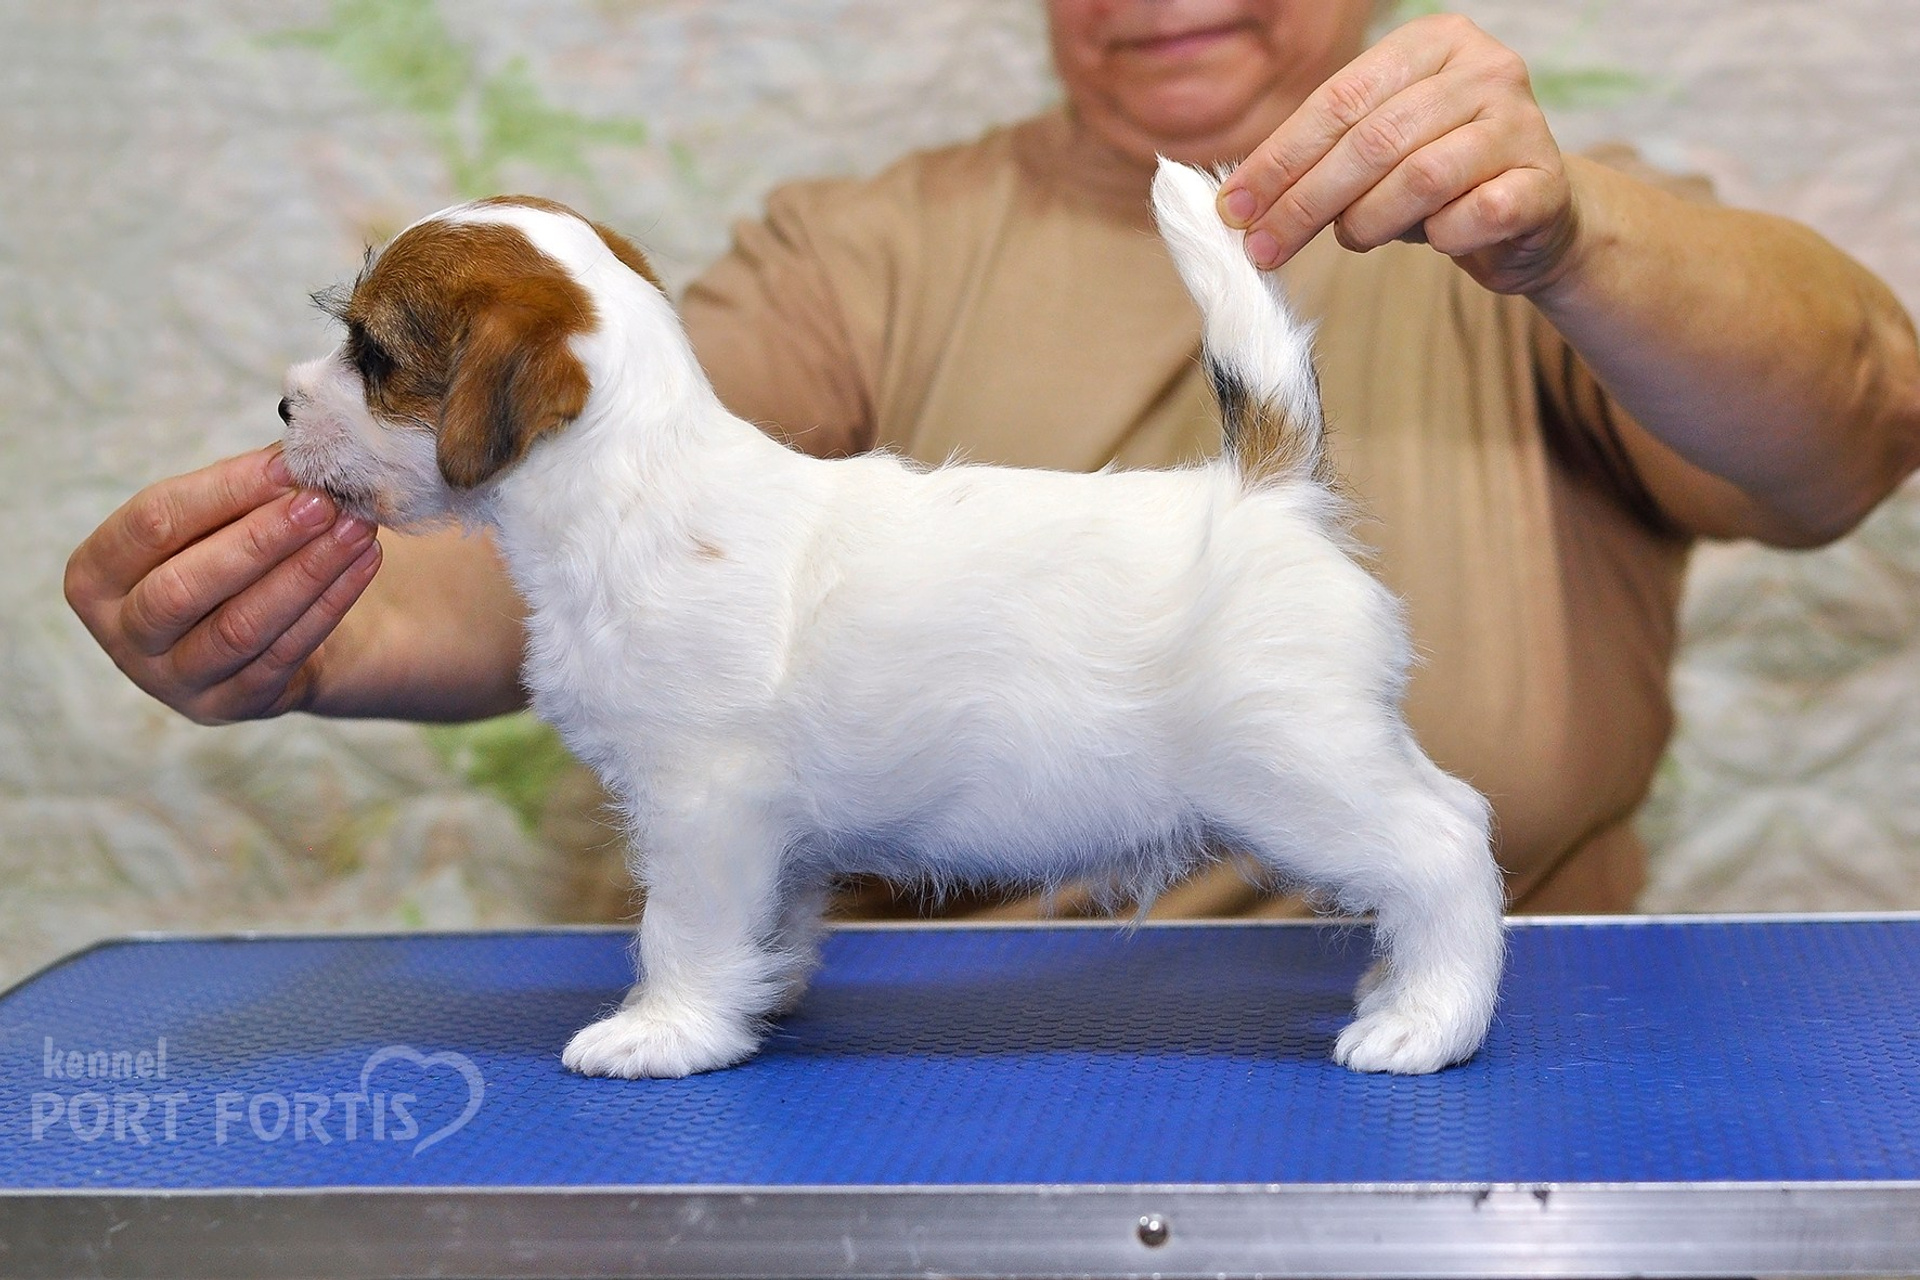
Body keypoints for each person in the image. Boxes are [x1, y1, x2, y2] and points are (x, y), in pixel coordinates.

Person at [65, 3, 1920, 919]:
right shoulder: (861, 244)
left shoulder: (1538, 225)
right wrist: (331, 633)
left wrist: (1572, 237)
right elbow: (608, 536)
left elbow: (1852, 427)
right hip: (965, 1032)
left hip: (1487, 1022)